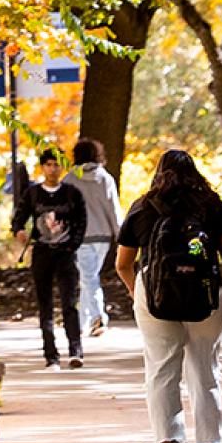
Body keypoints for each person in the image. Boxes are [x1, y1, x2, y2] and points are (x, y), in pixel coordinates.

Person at [114, 150, 222, 443]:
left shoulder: (143, 207)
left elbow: (122, 264)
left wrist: (140, 294)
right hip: (204, 297)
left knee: (161, 371)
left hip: (154, 296)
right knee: (204, 368)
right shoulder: (211, 206)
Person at [11, 148, 91, 368]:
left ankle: (76, 350)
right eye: (48, 164)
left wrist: (72, 245)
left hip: (66, 255)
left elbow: (81, 222)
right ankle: (51, 355)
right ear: (42, 167)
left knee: (69, 303)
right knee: (45, 304)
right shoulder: (33, 194)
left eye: (56, 164)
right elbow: (19, 217)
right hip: (42, 253)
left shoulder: (72, 193)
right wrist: (19, 231)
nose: (53, 169)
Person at [70, 139, 123, 337]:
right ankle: (83, 322)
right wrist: (120, 235)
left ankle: (97, 316)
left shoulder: (70, 179)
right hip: (103, 237)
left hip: (81, 237)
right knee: (88, 277)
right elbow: (113, 209)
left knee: (88, 277)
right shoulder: (105, 179)